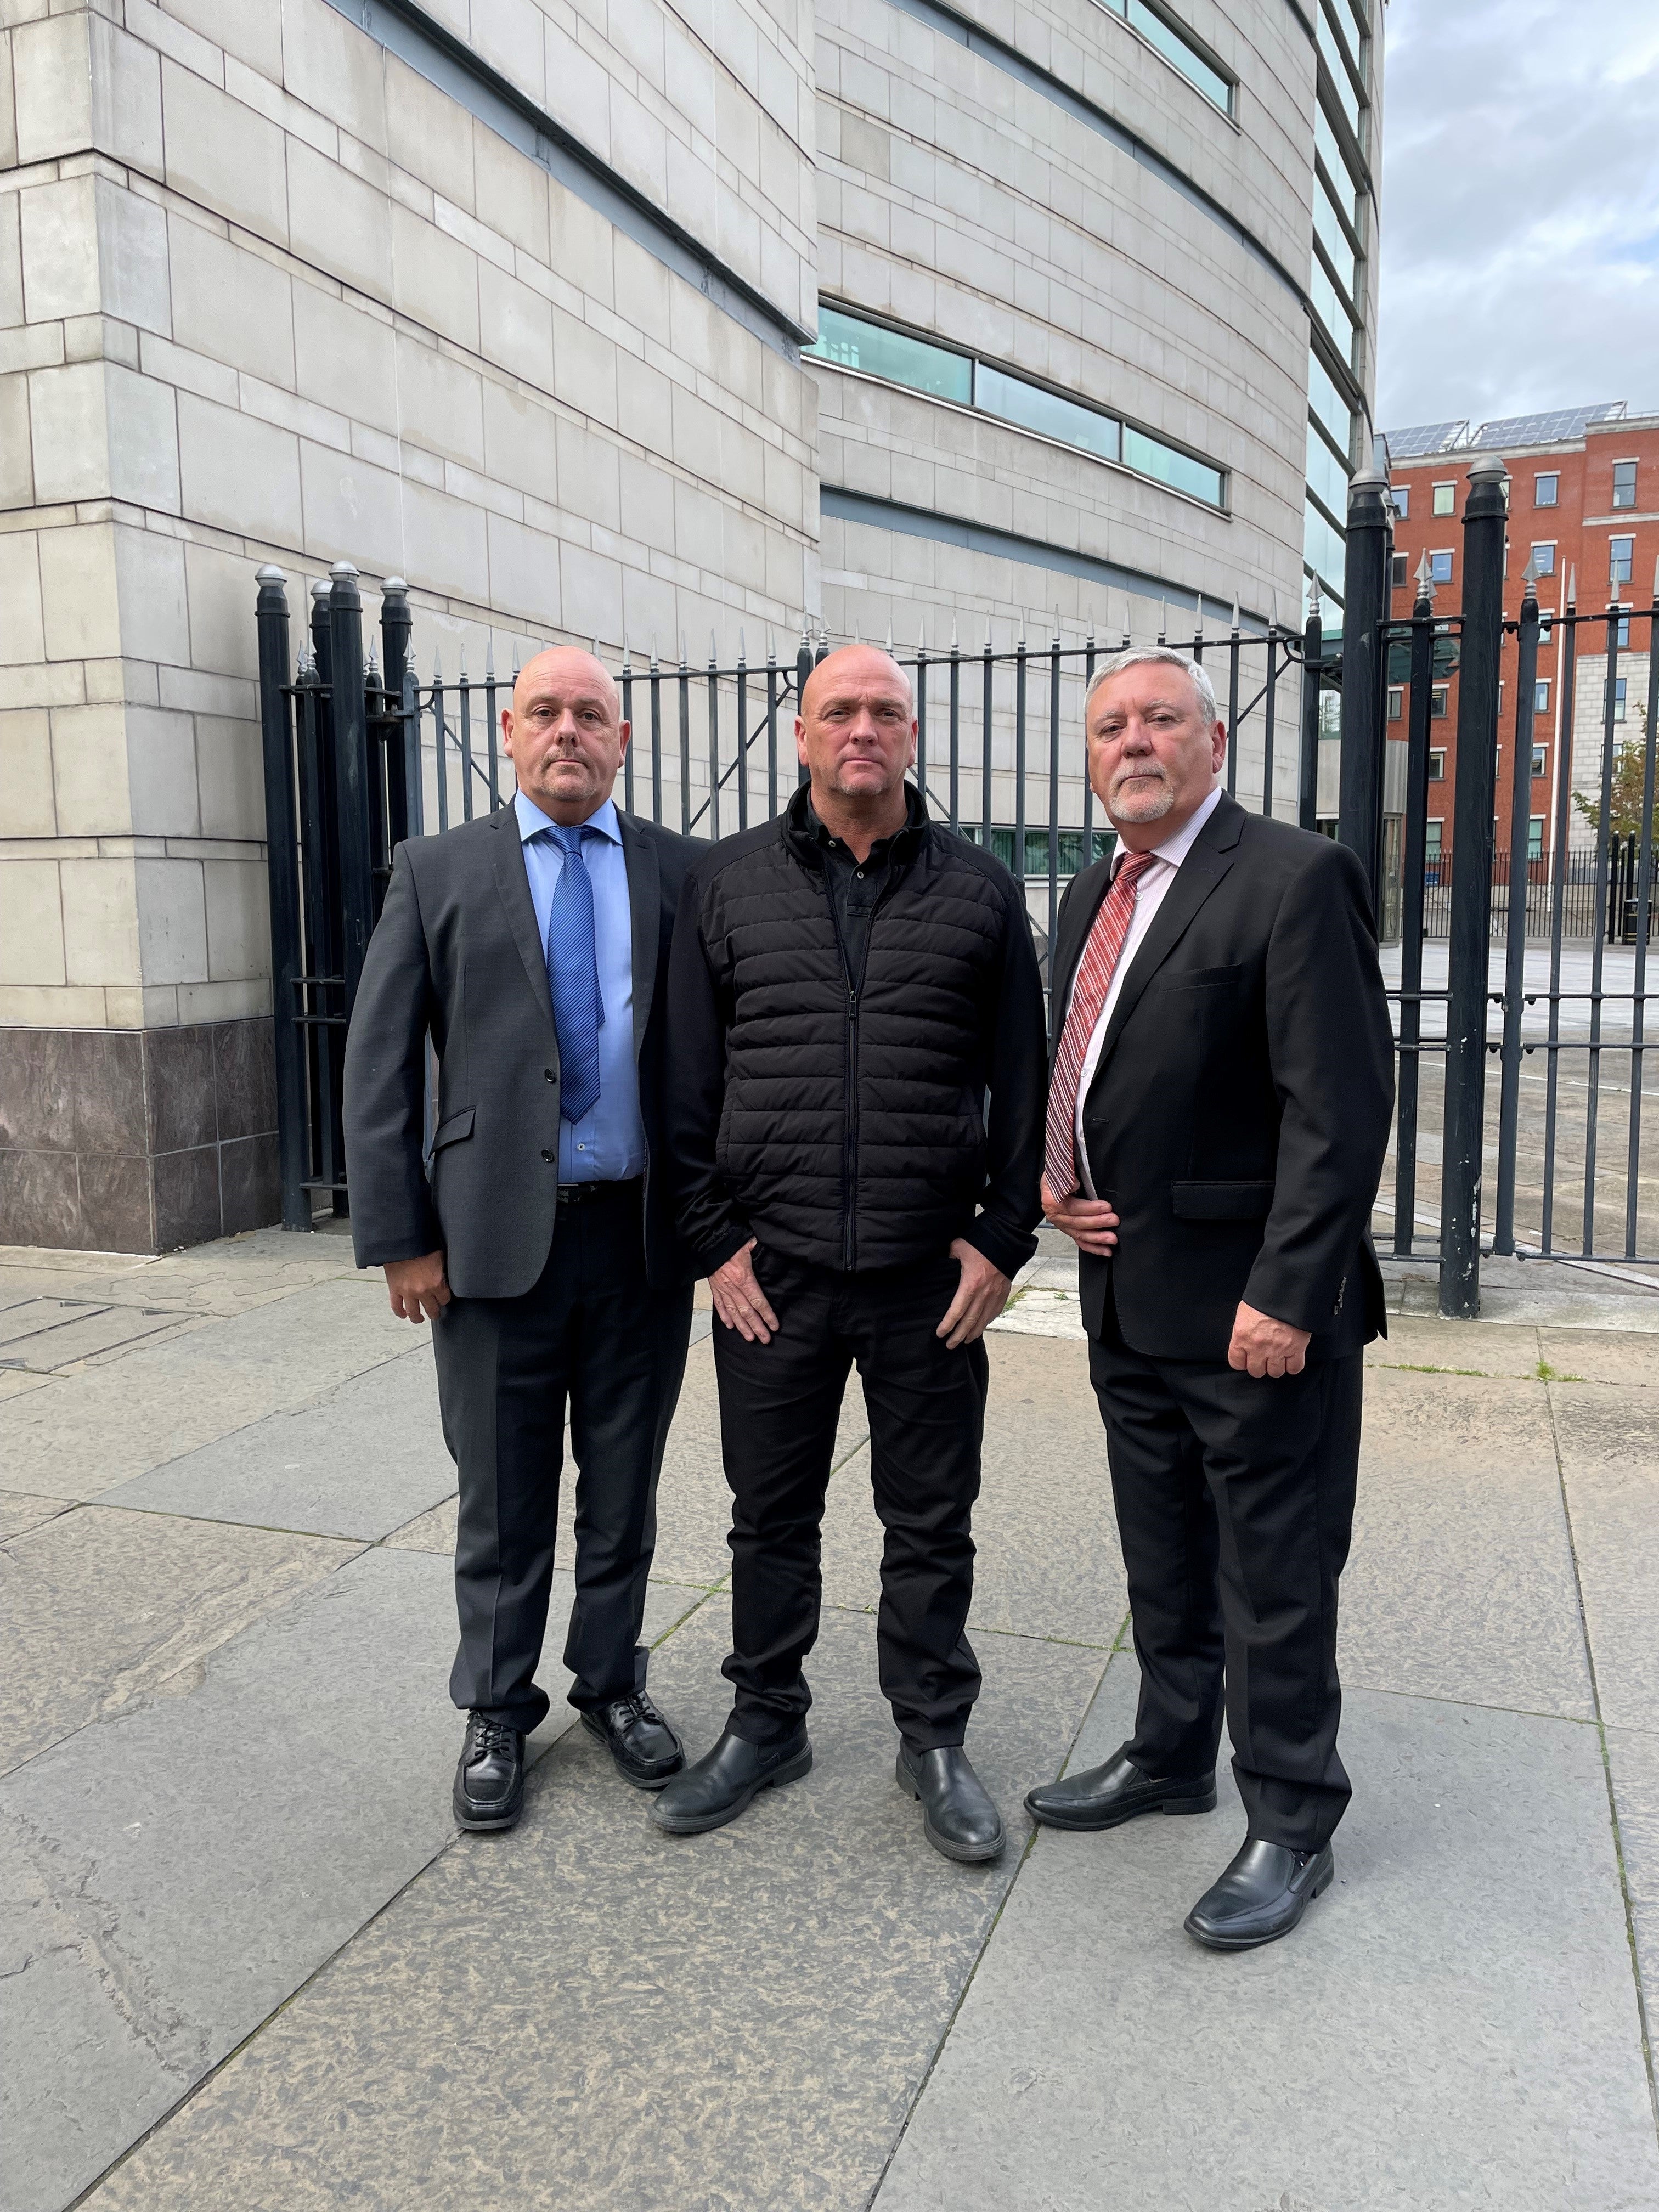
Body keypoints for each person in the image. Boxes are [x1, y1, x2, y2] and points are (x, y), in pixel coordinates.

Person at [1025, 644, 1393, 1950]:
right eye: (1111, 725)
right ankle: (1172, 1752)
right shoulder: (1089, 894)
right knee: (1164, 1556)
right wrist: (1052, 1183)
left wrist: (1291, 1294)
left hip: (1253, 1319)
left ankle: (1293, 1818)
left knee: (1273, 1573)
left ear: (1216, 741)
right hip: (1125, 1301)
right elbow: (1083, 1067)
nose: (1134, 741)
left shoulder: (1293, 879)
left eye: (1161, 720)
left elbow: (1339, 1112)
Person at [657, 644, 1046, 1860]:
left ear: (913, 736)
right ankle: (769, 1719)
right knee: (767, 1513)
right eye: (841, 711)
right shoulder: (724, 887)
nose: (862, 729)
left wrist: (1000, 1239)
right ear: (805, 735)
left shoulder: (981, 892)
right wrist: (715, 1244)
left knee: (930, 1518)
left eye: (884, 711)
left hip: (931, 1276)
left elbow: (1025, 1089)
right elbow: (682, 1077)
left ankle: (932, 1735)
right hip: (774, 1277)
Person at [343, 647, 698, 1833]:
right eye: (545, 713)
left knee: (625, 1491)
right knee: (501, 1494)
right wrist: (400, 1235)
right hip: (489, 1249)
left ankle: (611, 1684)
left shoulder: (679, 874)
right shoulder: (437, 871)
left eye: (591, 715)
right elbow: (379, 1060)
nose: (568, 733)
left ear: (624, 739)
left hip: (640, 1245)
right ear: (507, 732)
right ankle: (497, 1705)